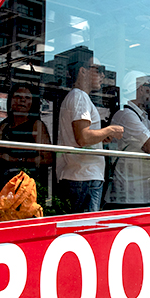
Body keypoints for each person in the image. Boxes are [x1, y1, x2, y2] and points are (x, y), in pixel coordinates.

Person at [57, 55, 123, 212]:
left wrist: (101, 137)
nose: (102, 76)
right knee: (85, 230)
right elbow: (83, 137)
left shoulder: (76, 97)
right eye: (98, 70)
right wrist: (110, 129)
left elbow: (82, 136)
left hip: (80, 176)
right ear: (83, 71)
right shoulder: (80, 97)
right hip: (84, 177)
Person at [106, 73, 150, 208]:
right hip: (132, 195)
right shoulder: (126, 116)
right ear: (140, 89)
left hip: (146, 194)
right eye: (148, 89)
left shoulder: (142, 116)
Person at [0, 83, 51, 194]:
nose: (22, 100)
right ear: (11, 100)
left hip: (25, 185)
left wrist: (15, 160)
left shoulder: (36, 125)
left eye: (27, 98)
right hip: (4, 182)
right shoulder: (5, 124)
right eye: (18, 96)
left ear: (32, 103)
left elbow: (48, 159)